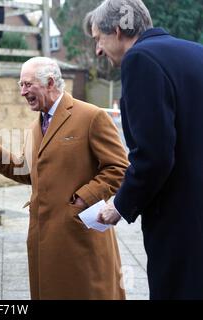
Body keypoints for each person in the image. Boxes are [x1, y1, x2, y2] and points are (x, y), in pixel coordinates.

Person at [0, 57, 129, 300]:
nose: (22, 92)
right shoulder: (38, 124)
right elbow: (27, 170)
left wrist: (82, 199)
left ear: (50, 82)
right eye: (20, 85)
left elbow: (118, 167)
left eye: (27, 85)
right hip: (44, 237)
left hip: (78, 235)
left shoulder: (91, 117)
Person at [85, 0, 203, 300]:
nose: (98, 50)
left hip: (180, 223)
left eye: (98, 38)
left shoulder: (140, 60)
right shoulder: (196, 52)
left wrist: (120, 205)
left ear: (117, 30)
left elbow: (154, 155)